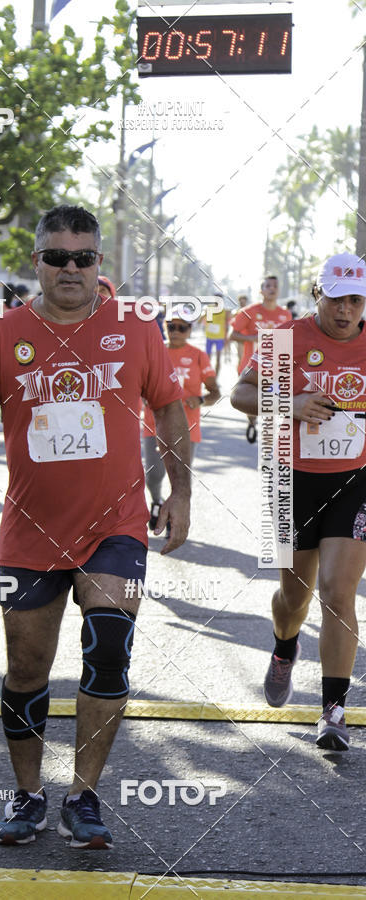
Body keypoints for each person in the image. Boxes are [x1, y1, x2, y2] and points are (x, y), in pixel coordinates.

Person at [0, 204, 191, 848]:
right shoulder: (4, 334)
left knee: (108, 647)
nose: (70, 268)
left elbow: (169, 409)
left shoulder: (134, 328)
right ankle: (27, 796)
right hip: (30, 530)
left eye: (83, 257)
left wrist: (181, 493)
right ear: (38, 262)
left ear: (98, 263)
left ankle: (85, 794)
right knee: (27, 667)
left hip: (118, 525)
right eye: (56, 257)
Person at [230, 252, 366, 751]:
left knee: (337, 589)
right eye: (337, 298)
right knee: (295, 599)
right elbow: (239, 395)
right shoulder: (286, 338)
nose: (346, 309)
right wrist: (289, 404)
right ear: (319, 294)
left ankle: (333, 711)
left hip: (356, 483)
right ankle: (285, 646)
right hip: (292, 482)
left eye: (356, 299)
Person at [143, 317, 220, 528]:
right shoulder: (154, 351)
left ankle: (173, 517)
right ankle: (157, 501)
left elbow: (215, 392)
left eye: (182, 328)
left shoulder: (198, 356)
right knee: (153, 474)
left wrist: (200, 400)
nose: (176, 331)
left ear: (189, 330)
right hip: (154, 423)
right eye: (171, 326)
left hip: (187, 427)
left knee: (179, 476)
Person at [229, 277, 291, 443]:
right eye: (268, 286)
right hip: (251, 367)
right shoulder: (249, 311)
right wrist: (253, 337)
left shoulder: (285, 314)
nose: (272, 289)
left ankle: (272, 436)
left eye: (275, 286)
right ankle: (252, 422)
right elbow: (232, 335)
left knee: (273, 401)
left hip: (276, 367)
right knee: (253, 403)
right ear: (261, 290)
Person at [202, 296, 229, 376]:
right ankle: (208, 376)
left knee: (218, 359)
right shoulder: (208, 308)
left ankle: (215, 378)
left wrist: (226, 338)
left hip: (219, 338)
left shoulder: (225, 311)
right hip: (209, 337)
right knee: (207, 359)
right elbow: (203, 320)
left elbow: (226, 325)